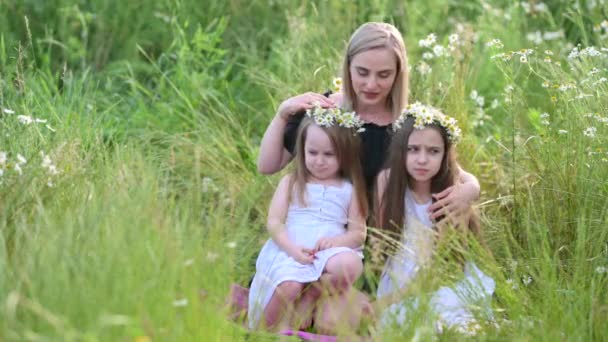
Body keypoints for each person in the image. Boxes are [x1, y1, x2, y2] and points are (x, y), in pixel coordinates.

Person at [257, 22, 481, 222]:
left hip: (383, 237)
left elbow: (456, 172)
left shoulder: (406, 123)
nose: (371, 84)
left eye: (383, 75)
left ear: (398, 74)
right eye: (362, 72)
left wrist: (471, 189)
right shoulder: (325, 111)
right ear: (348, 67)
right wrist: (282, 115)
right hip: (323, 229)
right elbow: (268, 166)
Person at [374, 103, 495, 333]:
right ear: (401, 150)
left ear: (445, 154)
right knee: (403, 321)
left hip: (442, 276)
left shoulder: (452, 192)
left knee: (445, 317)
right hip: (401, 273)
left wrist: (382, 304)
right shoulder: (388, 181)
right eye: (413, 149)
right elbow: (381, 240)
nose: (422, 159)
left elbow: (443, 268)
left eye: (433, 151)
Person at [248, 106, 369, 331]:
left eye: (329, 154)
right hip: (293, 245)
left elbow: (358, 233)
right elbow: (274, 221)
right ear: (302, 150)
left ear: (345, 155)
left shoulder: (350, 188)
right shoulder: (291, 182)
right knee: (289, 286)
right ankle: (262, 331)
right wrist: (292, 249)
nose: (319, 161)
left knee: (350, 265)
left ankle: (312, 294)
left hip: (329, 250)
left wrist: (337, 243)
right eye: (312, 153)